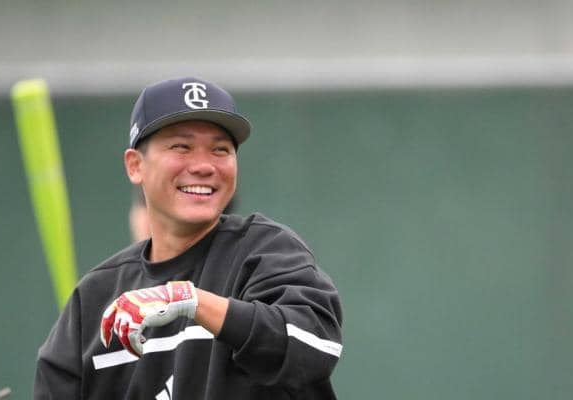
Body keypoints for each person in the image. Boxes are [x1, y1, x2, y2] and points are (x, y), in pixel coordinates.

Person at [35, 77, 344, 399]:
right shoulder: (93, 298)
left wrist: (189, 300)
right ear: (135, 165)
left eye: (220, 149)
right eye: (181, 147)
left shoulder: (266, 252)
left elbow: (315, 347)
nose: (203, 166)